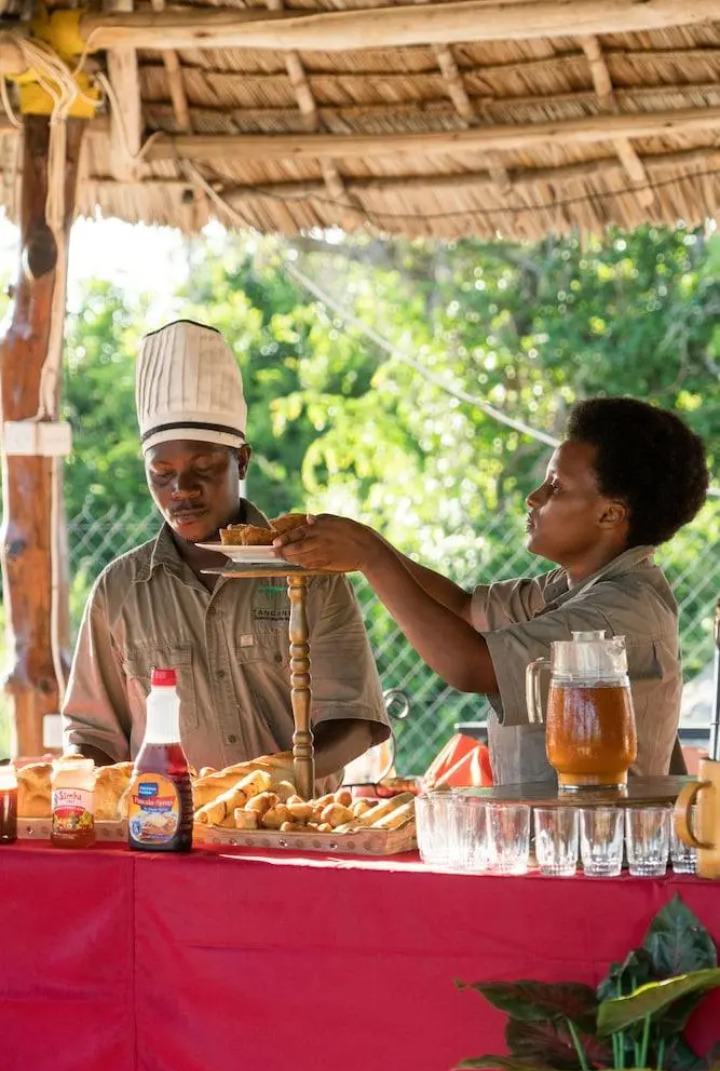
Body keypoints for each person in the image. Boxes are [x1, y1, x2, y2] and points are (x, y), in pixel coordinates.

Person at [275, 397, 710, 785]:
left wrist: (372, 557)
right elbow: (465, 609)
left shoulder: (620, 612)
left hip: (598, 853)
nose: (534, 498)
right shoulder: (570, 586)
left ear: (610, 515)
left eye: (556, 486)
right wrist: (363, 547)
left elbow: (472, 666)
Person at [62, 320, 390, 778]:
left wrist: (277, 779)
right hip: (166, 832)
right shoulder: (119, 590)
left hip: (294, 829)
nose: (182, 489)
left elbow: (355, 720)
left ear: (241, 461)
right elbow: (92, 735)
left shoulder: (308, 569)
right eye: (162, 472)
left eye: (202, 468)